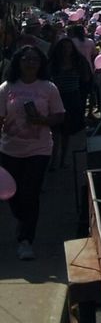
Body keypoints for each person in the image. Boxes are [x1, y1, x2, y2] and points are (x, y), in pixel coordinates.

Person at [0, 47, 65, 259]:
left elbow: (59, 116)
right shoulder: (6, 88)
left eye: (35, 60)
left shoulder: (49, 88)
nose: (30, 63)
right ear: (18, 62)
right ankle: (22, 219)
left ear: (41, 64)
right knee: (14, 195)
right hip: (10, 149)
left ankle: (26, 239)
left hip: (39, 149)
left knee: (31, 192)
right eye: (26, 59)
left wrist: (42, 121)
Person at [48, 37, 89, 168]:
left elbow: (86, 78)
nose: (66, 50)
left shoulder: (78, 62)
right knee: (55, 132)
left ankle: (63, 159)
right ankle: (54, 159)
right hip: (56, 98)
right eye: (64, 47)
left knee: (67, 132)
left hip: (72, 98)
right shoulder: (54, 63)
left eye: (69, 47)